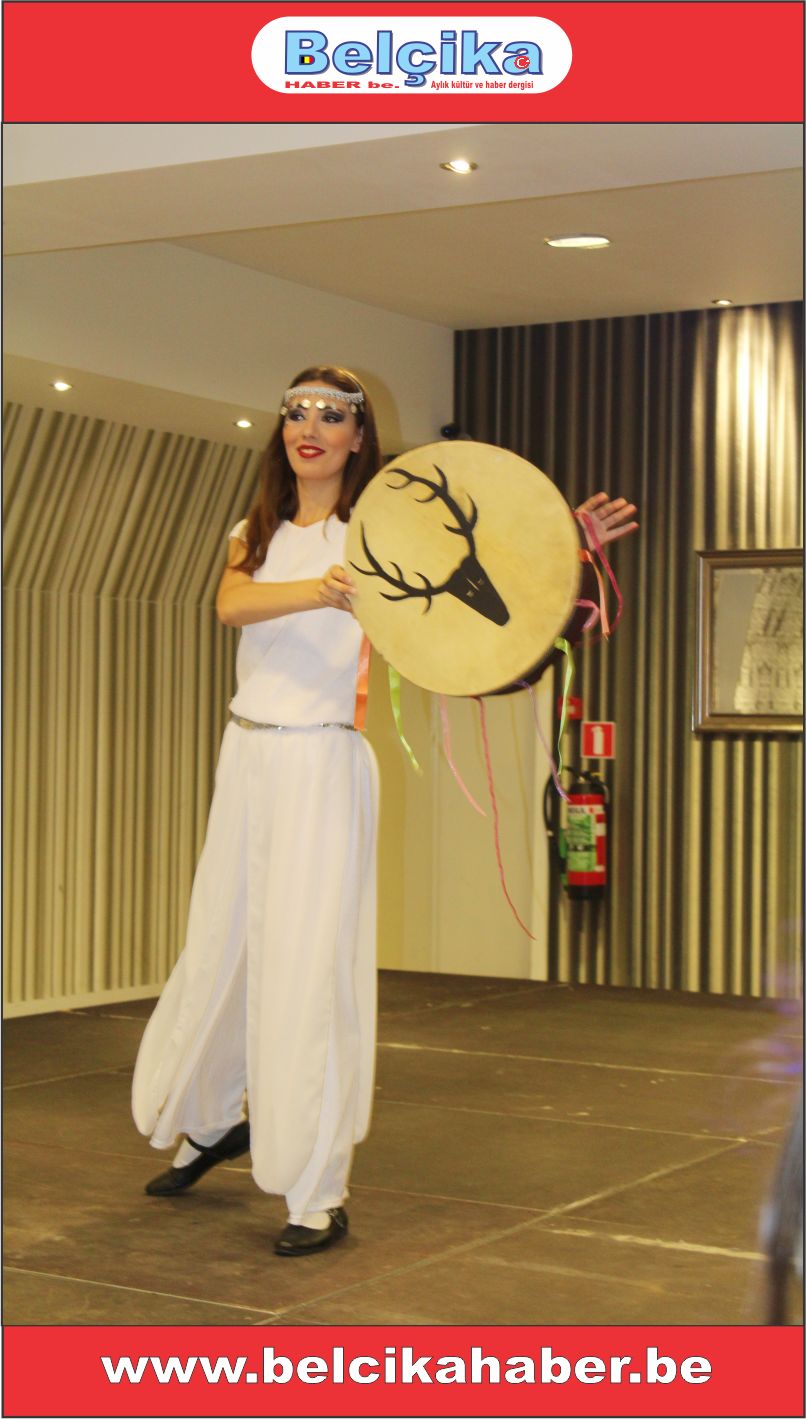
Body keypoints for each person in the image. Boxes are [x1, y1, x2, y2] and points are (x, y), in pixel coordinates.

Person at [132, 365, 382, 1256]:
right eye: (296, 412)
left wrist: (566, 546)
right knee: (222, 944)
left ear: (358, 436)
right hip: (246, 754)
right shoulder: (256, 530)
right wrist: (320, 589)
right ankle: (215, 1120)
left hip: (322, 760)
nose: (310, 426)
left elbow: (478, 598)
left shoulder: (379, 537)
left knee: (309, 970)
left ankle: (317, 1190)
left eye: (332, 414)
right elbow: (230, 603)